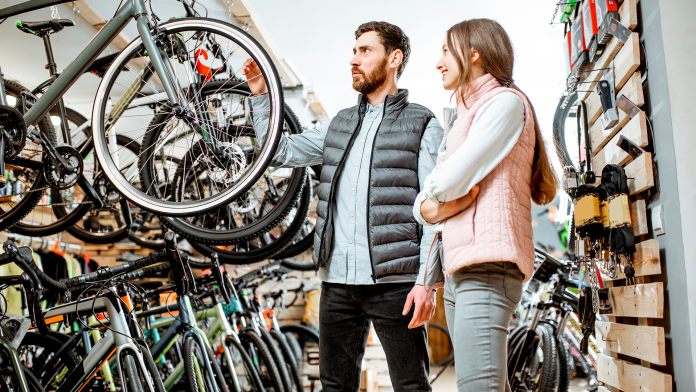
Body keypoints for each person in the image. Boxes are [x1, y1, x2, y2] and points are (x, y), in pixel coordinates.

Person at [242, 21, 458, 392]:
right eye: (354, 51)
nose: (354, 59)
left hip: (397, 283)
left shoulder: (422, 124)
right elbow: (278, 153)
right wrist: (261, 97)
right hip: (337, 282)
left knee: (411, 385)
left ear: (394, 58)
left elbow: (434, 211)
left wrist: (427, 282)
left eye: (365, 51)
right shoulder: (338, 125)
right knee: (334, 386)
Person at [412, 19, 559, 391]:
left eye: (446, 50)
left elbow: (445, 182)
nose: (438, 62)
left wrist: (434, 201)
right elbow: (432, 203)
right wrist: (431, 206)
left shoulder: (504, 104)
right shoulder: (467, 113)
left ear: (473, 53)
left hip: (487, 269)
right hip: (464, 270)